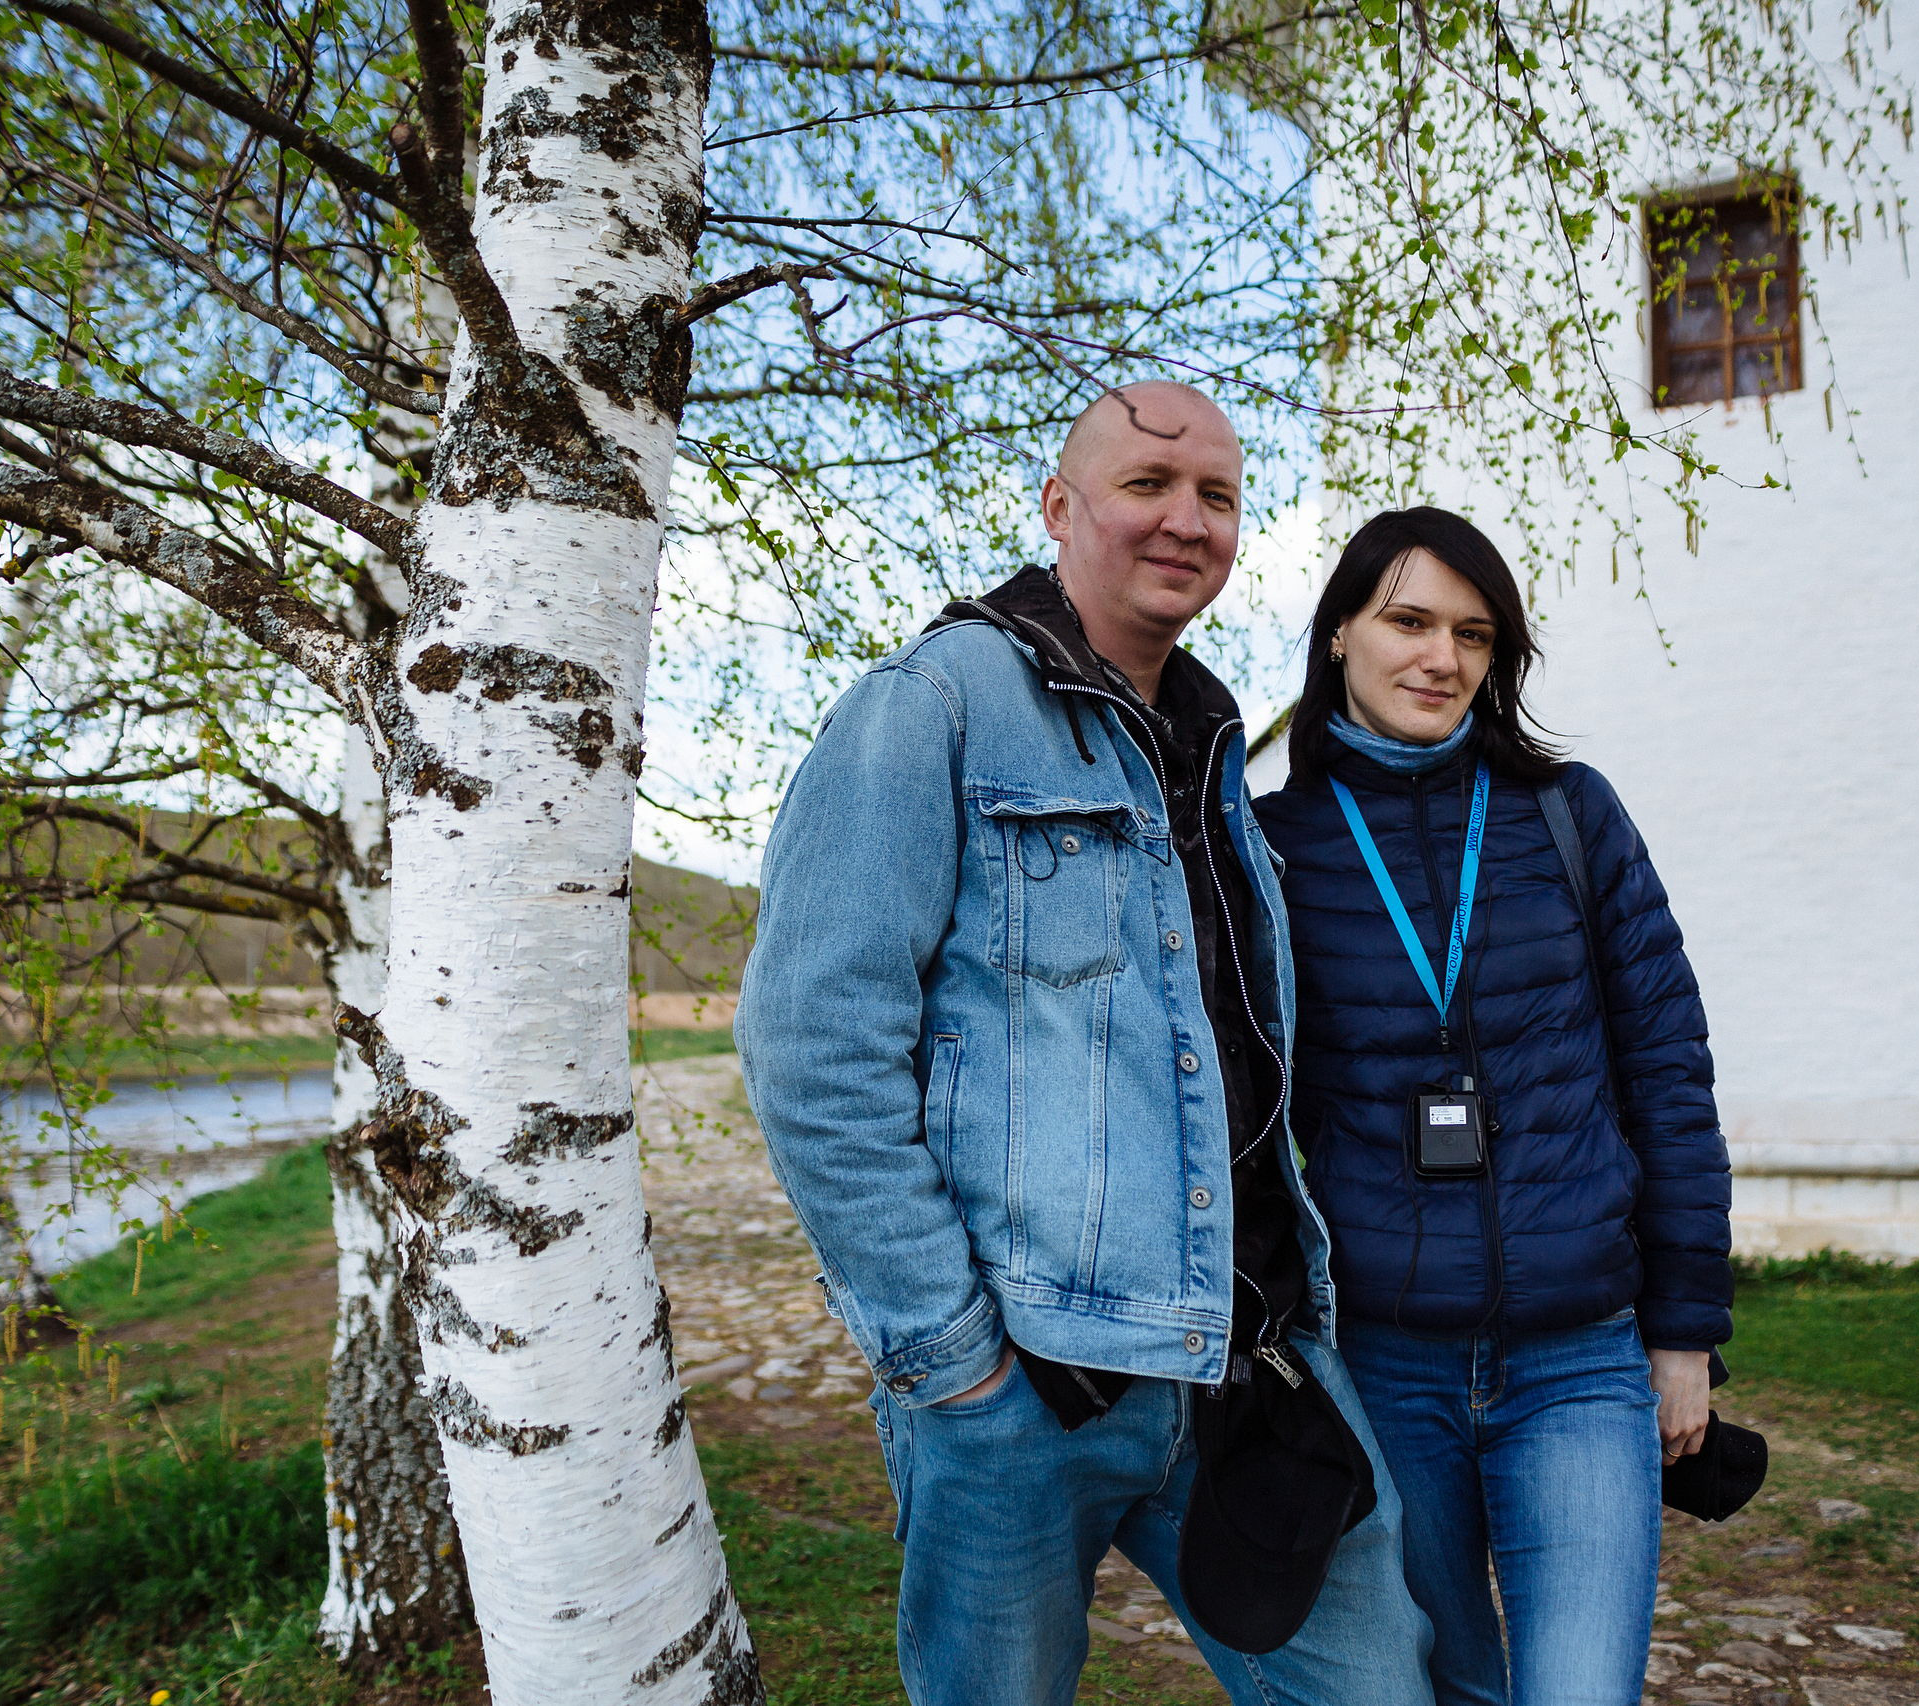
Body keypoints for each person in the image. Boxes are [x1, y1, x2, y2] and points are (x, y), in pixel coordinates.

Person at [736, 382, 1432, 1706]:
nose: (1187, 518)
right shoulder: (930, 706)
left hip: (1252, 1359)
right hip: (1028, 1385)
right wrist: (952, 1357)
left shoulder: (1216, 740)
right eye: (1147, 485)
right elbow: (810, 1042)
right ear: (1061, 508)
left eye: (1218, 495)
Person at [1252, 507, 1734, 1706]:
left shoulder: (1570, 814)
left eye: (1473, 632)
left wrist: (1682, 1334)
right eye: (1407, 620)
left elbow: (1668, 1074)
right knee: (1450, 1685)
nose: (1441, 657)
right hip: (1378, 1363)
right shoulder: (1269, 847)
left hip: (1577, 1359)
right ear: (1337, 638)